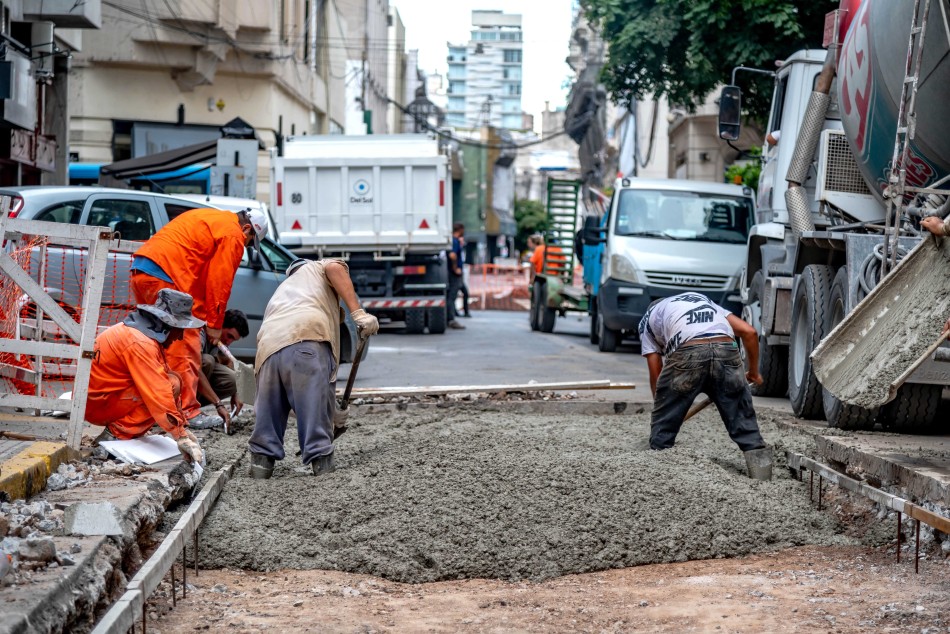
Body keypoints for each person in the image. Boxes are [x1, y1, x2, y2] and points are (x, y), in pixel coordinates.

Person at [129, 206, 267, 430]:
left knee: (159, 346)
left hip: (144, 271)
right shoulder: (233, 234)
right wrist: (213, 324)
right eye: (250, 241)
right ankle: (187, 412)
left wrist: (202, 317)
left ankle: (155, 407)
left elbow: (201, 272)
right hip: (166, 275)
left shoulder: (213, 218)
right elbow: (219, 281)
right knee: (185, 344)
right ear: (247, 228)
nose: (246, 245)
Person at [247, 258, 380, 479]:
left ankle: (261, 466)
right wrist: (359, 314)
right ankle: (322, 465)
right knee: (315, 410)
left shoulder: (283, 291)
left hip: (267, 349)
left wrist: (334, 411)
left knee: (269, 411)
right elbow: (334, 267)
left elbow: (291, 400)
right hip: (306, 337)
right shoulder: (318, 267)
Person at [638, 292, 771, 477]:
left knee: (663, 433)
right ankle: (762, 478)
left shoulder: (648, 319)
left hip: (687, 351)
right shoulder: (706, 302)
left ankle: (657, 476)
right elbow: (749, 332)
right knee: (744, 422)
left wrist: (663, 409)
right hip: (726, 349)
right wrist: (754, 372)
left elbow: (655, 371)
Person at [85, 288, 205, 465]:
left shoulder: (141, 335)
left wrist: (182, 427)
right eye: (179, 329)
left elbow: (163, 379)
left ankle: (125, 431)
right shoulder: (141, 343)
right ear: (167, 324)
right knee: (168, 386)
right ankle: (116, 435)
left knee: (170, 381)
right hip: (99, 403)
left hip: (99, 398)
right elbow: (160, 391)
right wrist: (180, 436)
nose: (180, 336)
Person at [196, 309, 250, 427]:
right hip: (178, 381)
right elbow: (193, 368)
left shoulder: (220, 341)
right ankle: (188, 410)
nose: (228, 342)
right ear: (220, 326)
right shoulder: (200, 332)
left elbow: (228, 361)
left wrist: (236, 392)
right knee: (207, 361)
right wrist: (218, 404)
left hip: (194, 387)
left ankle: (194, 407)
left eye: (233, 339)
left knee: (234, 378)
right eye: (229, 336)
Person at [446, 223, 466, 330]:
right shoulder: (455, 241)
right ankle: (451, 319)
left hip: (452, 272)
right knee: (452, 296)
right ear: (460, 229)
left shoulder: (454, 241)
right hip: (454, 273)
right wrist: (455, 269)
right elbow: (452, 255)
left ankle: (449, 318)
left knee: (452, 295)